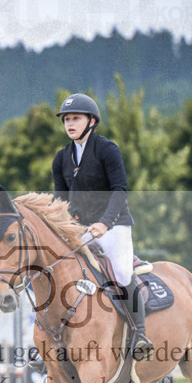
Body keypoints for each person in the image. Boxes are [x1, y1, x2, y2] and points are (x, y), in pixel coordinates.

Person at [51, 92, 153, 355]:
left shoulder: (107, 150)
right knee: (59, 270)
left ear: (92, 121)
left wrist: (105, 223)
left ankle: (140, 334)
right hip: (81, 229)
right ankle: (54, 338)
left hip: (114, 225)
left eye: (76, 118)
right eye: (66, 119)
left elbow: (120, 190)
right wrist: (61, 228)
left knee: (122, 273)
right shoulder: (61, 158)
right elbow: (61, 201)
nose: (70, 124)